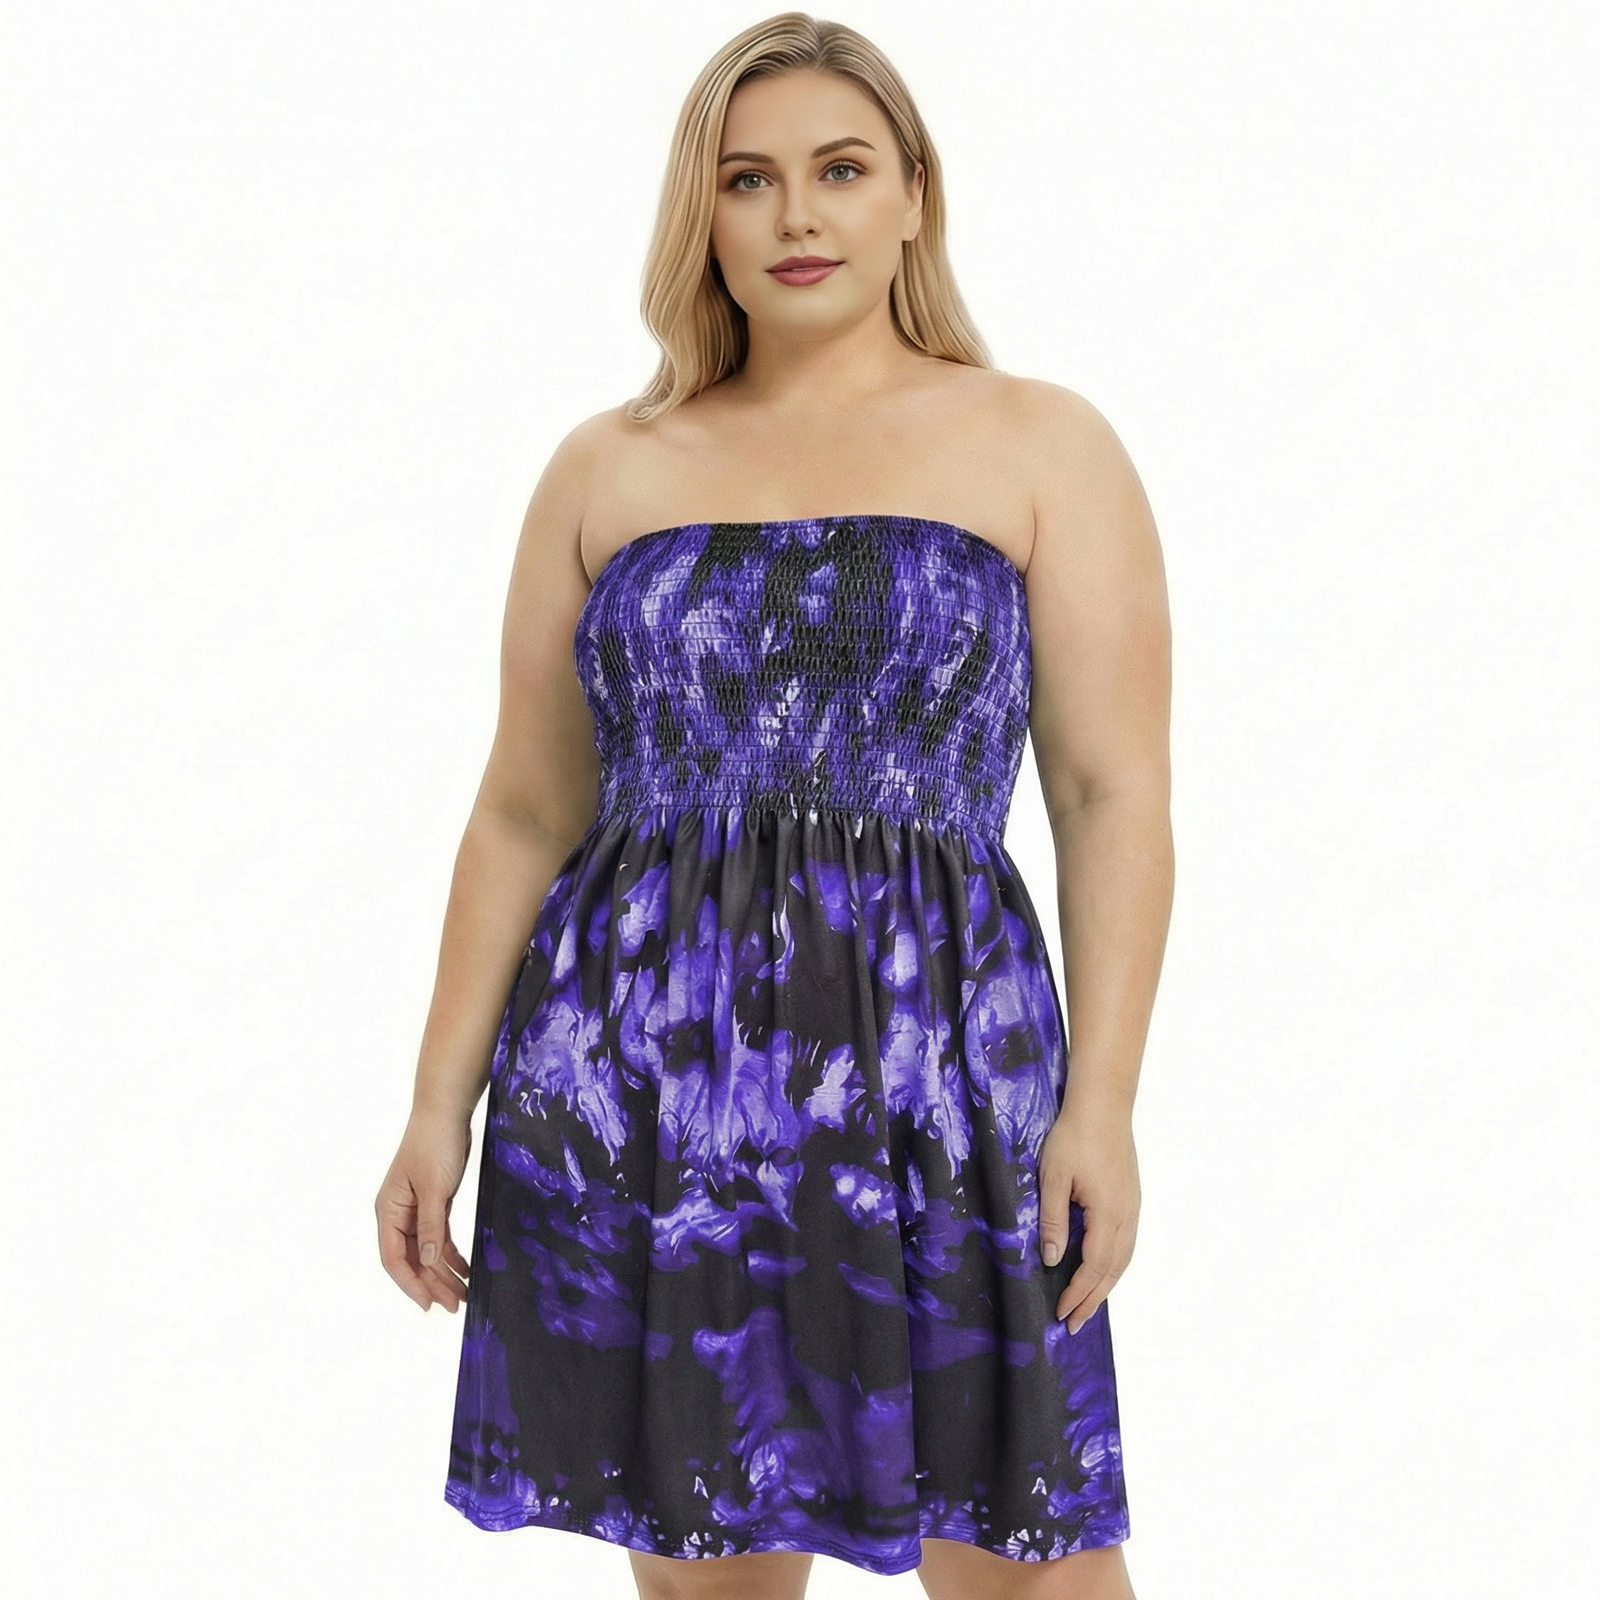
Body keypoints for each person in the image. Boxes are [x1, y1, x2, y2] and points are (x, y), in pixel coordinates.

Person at [375, 13, 1171, 1599]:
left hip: (944, 1081)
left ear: (914, 195)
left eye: (841, 169)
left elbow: (1111, 794)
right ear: (706, 212)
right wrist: (434, 1107)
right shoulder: (607, 467)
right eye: (749, 179)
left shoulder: (1041, 444)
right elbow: (524, 811)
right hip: (644, 1085)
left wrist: (1104, 1105)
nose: (797, 214)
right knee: (706, 1575)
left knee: (1032, 1562)